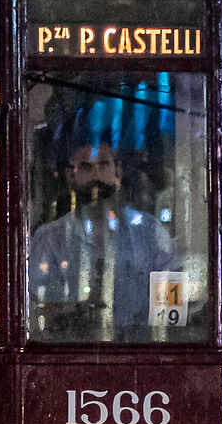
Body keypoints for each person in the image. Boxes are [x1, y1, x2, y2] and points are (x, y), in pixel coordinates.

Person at [28, 138, 178, 339]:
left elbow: (171, 308)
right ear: (70, 176)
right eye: (86, 167)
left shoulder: (151, 232)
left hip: (142, 359)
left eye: (104, 165)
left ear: (118, 171)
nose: (96, 176)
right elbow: (41, 310)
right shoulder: (49, 239)